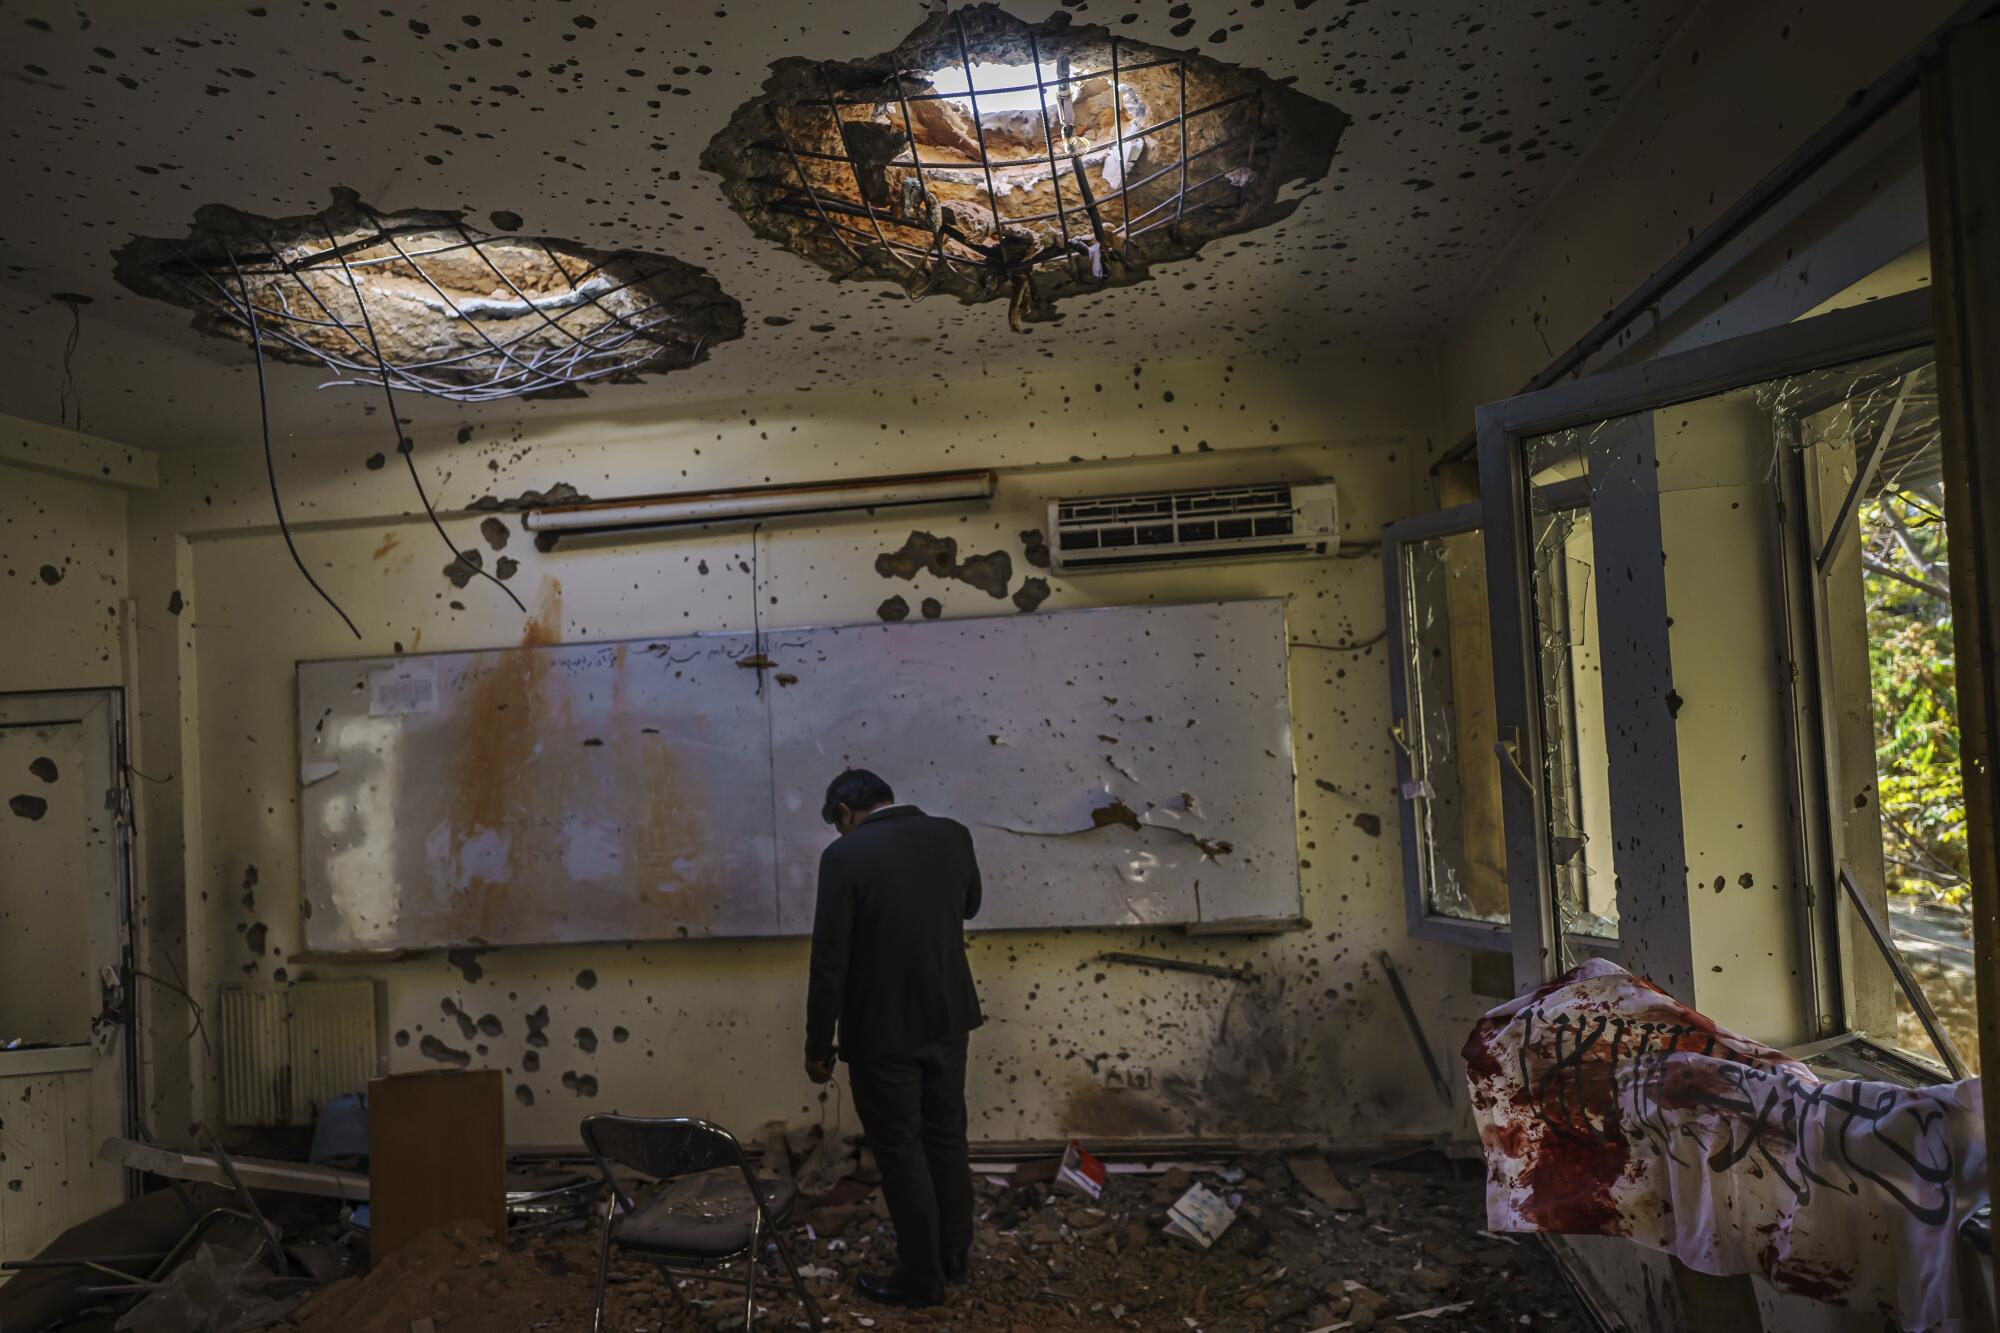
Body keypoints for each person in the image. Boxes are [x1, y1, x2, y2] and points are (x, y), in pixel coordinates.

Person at [804, 768, 984, 1308]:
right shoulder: (952, 834)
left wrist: (818, 1045)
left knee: (902, 1151)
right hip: (950, 1018)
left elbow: (830, 964)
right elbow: (969, 906)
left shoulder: (845, 857)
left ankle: (920, 1281)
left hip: (882, 1034)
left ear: (843, 814)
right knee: (947, 1138)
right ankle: (954, 1260)